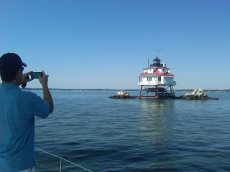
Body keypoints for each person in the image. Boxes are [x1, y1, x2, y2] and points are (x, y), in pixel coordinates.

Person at [0, 53, 54, 172]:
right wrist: (44, 84)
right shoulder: (28, 98)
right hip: (20, 166)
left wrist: (18, 81)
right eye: (21, 69)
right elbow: (48, 109)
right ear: (18, 72)